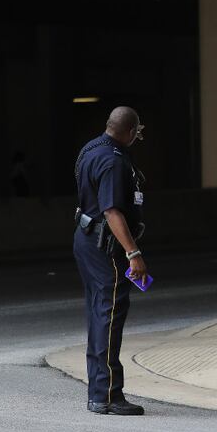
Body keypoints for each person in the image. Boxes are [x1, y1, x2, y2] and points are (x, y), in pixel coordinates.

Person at [73, 106, 147, 415]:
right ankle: (107, 396)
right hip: (107, 246)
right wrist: (133, 253)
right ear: (130, 132)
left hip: (85, 238)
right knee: (110, 315)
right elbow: (112, 211)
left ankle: (98, 391)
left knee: (98, 314)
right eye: (138, 132)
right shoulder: (114, 162)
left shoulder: (90, 148)